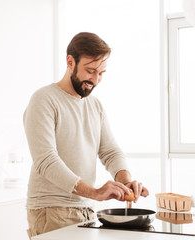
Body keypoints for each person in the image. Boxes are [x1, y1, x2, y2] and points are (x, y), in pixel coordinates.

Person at [23, 32, 149, 239]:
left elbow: (110, 151)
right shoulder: (44, 99)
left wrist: (126, 182)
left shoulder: (94, 105)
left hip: (86, 211)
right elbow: (45, 161)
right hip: (52, 211)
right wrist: (95, 192)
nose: (95, 80)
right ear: (70, 62)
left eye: (101, 73)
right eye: (90, 71)